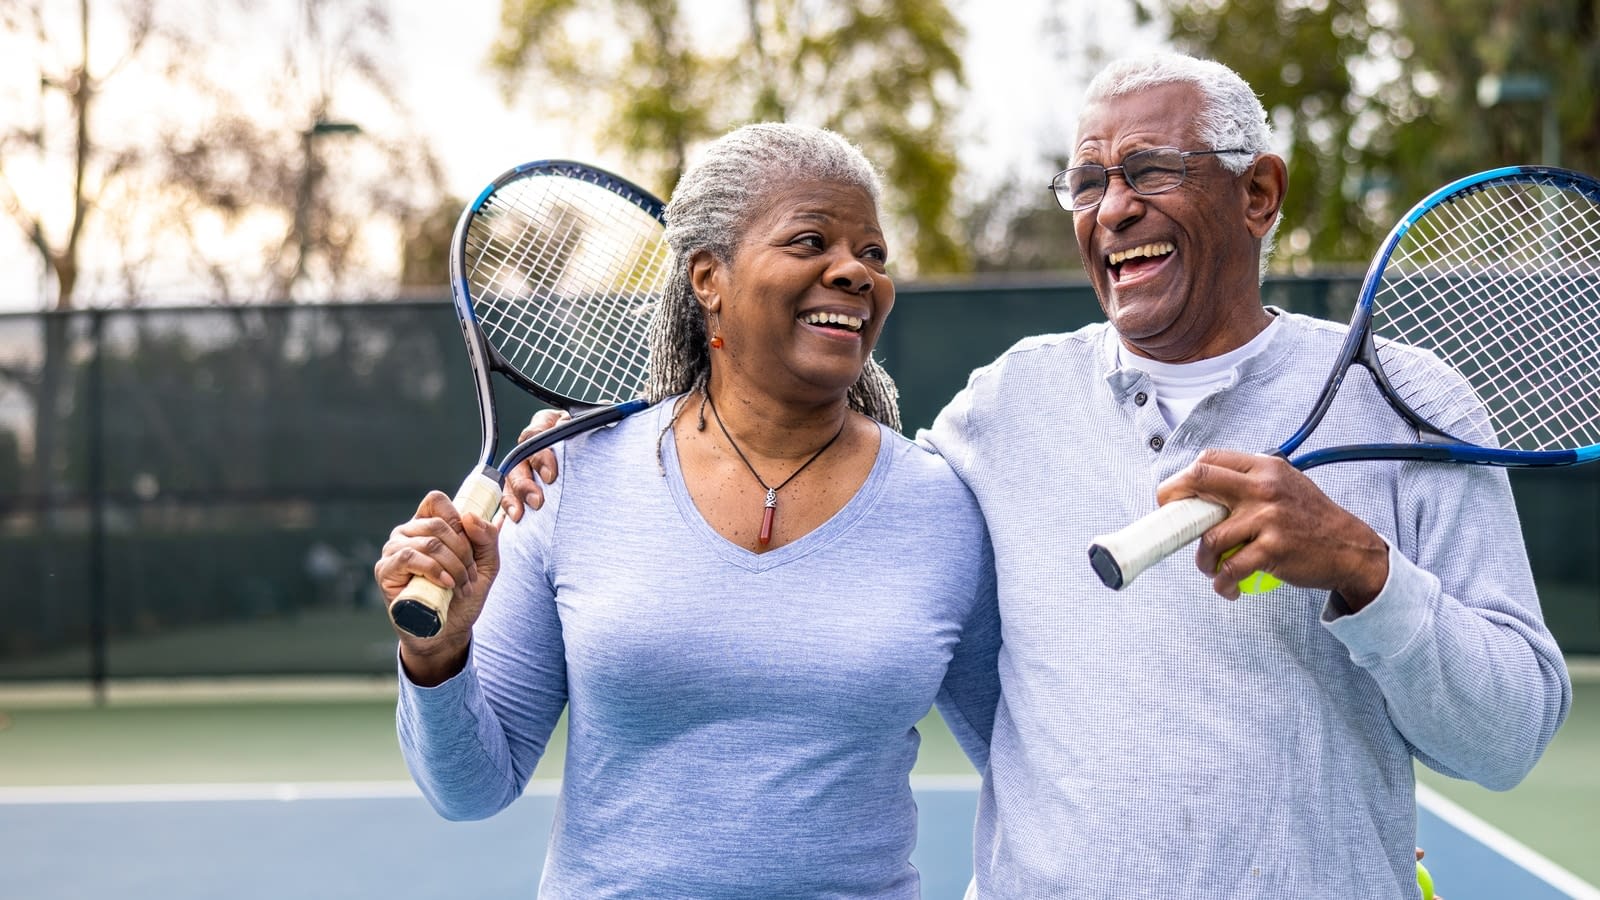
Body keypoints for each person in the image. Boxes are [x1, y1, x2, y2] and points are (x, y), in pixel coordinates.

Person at [916, 52, 1571, 897]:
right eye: (1087, 182)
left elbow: (1509, 736)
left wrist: (1361, 567)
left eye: (1149, 169)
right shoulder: (1004, 405)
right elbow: (934, 631)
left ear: (1258, 193)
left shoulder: (1415, 403)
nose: (1113, 208)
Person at [372, 122, 1002, 898]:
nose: (854, 272)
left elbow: (1033, 767)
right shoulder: (568, 478)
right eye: (811, 241)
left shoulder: (940, 506)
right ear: (708, 278)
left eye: (873, 253)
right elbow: (469, 791)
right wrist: (439, 655)